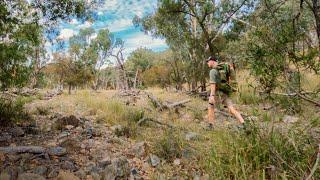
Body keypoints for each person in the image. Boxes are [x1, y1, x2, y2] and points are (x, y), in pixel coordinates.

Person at [206, 56, 244, 127]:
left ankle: (211, 126)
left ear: (212, 61)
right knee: (231, 108)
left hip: (217, 93)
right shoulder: (224, 69)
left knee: (211, 107)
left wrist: (212, 96)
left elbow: (213, 85)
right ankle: (243, 123)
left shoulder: (212, 71)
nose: (207, 63)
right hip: (225, 92)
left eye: (208, 61)